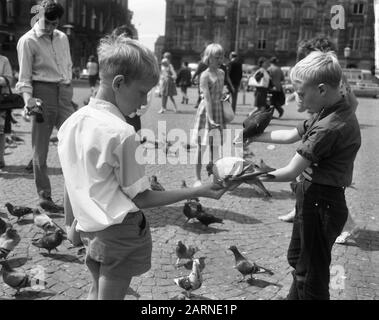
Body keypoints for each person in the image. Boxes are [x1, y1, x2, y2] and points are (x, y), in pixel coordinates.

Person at [57, 36, 235, 300]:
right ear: (118, 83)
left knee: (95, 292)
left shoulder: (71, 123)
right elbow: (141, 197)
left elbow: (70, 182)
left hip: (89, 230)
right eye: (141, 92)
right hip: (118, 232)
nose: (143, 103)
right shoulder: (121, 132)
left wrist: (70, 221)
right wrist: (201, 191)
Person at [254, 51, 361, 299]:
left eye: (301, 94)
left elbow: (291, 171)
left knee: (312, 273)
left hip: (322, 204)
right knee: (300, 262)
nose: (298, 100)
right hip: (313, 199)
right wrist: (254, 136)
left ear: (322, 90)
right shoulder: (330, 110)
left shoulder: (329, 127)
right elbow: (291, 134)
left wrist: (248, 177)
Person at [278, 37, 359, 246]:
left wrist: (337, 127)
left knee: (322, 184)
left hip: (330, 137)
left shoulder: (333, 80)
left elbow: (352, 103)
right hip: (322, 125)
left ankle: (348, 226)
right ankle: (298, 208)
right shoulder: (320, 88)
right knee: (305, 175)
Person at [16, 0, 73, 211]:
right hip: (41, 93)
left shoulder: (63, 38)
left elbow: (66, 64)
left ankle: (81, 192)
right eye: (46, 23)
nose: (49, 28)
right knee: (40, 148)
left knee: (76, 139)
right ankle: (45, 196)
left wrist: (67, 89)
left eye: (54, 24)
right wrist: (28, 103)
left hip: (64, 93)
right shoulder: (27, 41)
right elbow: (24, 79)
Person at [191, 43, 226, 187]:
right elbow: (206, 98)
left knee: (215, 146)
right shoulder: (204, 75)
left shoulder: (222, 73)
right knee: (201, 146)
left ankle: (215, 178)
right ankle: (197, 178)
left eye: (221, 57)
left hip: (217, 109)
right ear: (209, 57)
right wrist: (210, 118)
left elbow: (219, 94)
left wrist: (225, 100)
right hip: (206, 111)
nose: (220, 60)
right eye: (217, 57)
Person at [0, 54, 14, 169]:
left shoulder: (3, 60)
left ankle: (0, 159)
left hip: (1, 101)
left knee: (0, 132)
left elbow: (9, 79)